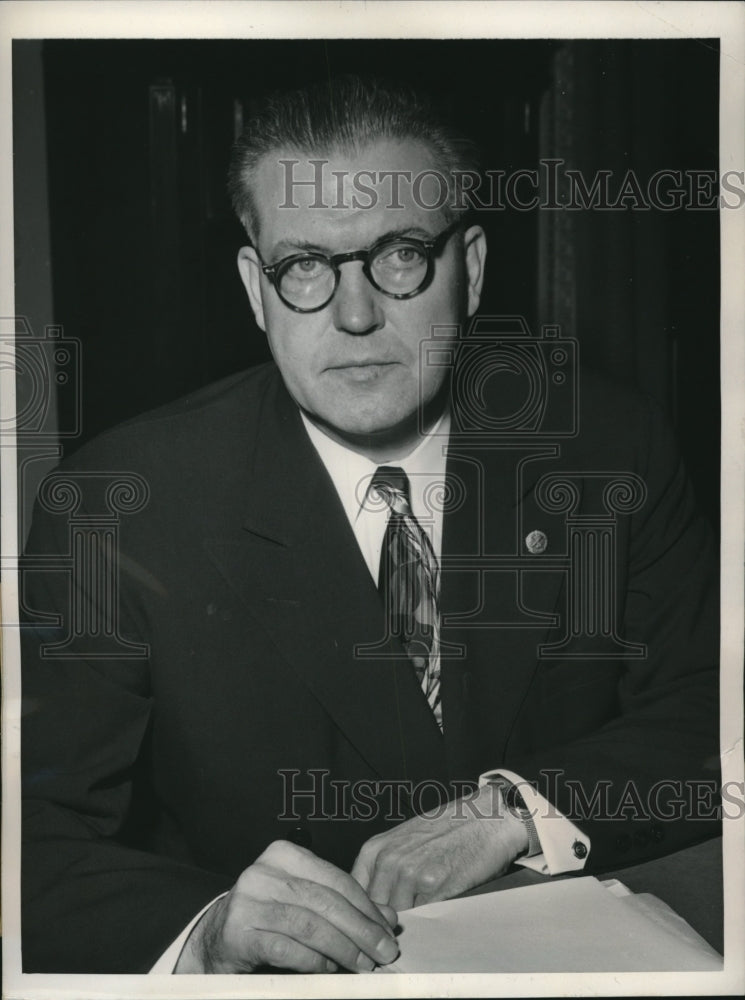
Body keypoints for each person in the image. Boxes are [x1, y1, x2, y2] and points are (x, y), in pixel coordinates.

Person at [20, 75, 719, 975]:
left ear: (468, 269)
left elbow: (709, 715)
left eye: (397, 256)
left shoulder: (609, 446)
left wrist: (515, 806)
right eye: (304, 266)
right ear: (254, 287)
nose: (354, 317)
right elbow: (28, 837)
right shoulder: (119, 502)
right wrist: (209, 927)